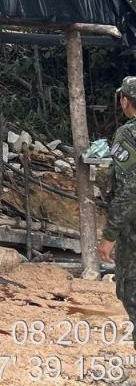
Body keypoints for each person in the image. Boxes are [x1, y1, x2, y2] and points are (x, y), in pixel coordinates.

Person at [99, 76, 136, 324]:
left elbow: (130, 192)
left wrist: (109, 236)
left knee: (130, 292)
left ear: (124, 101)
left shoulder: (127, 135)